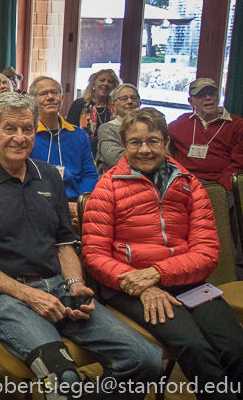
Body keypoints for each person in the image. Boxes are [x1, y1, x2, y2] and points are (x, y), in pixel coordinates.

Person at [0, 92, 163, 398]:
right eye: (10, 129)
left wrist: (75, 283)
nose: (20, 138)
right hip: (4, 298)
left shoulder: (48, 176)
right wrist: (29, 295)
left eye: (28, 129)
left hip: (60, 289)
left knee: (145, 360)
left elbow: (64, 244)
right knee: (64, 380)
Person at [83, 107, 243, 400]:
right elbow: (94, 254)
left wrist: (158, 272)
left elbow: (208, 251)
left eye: (153, 141)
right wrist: (138, 281)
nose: (144, 149)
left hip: (187, 281)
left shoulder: (189, 182)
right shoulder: (107, 187)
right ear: (124, 144)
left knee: (235, 346)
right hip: (127, 285)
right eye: (135, 142)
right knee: (195, 347)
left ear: (166, 143)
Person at [169, 77, 243, 279]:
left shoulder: (237, 125)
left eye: (212, 93)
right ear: (191, 101)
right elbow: (159, 139)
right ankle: (183, 264)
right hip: (186, 184)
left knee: (224, 213)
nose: (208, 97)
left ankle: (228, 270)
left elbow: (239, 163)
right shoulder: (182, 123)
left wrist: (219, 188)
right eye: (201, 95)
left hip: (220, 186)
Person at [29, 76, 98, 220]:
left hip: (75, 203)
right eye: (43, 93)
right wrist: (63, 207)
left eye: (54, 92)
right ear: (32, 100)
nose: (50, 97)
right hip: (38, 204)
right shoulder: (28, 135)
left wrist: (81, 204)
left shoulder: (78, 135)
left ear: (62, 98)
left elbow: (89, 174)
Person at [95, 83, 141, 176]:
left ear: (140, 103)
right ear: (113, 106)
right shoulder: (107, 129)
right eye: (124, 98)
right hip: (116, 181)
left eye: (134, 98)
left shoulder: (152, 127)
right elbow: (116, 159)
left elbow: (165, 156)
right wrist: (149, 161)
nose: (129, 101)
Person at [66, 68, 120, 145]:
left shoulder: (116, 107)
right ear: (93, 84)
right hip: (82, 149)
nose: (105, 84)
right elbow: (69, 132)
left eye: (110, 82)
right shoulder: (79, 104)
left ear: (113, 86)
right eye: (102, 80)